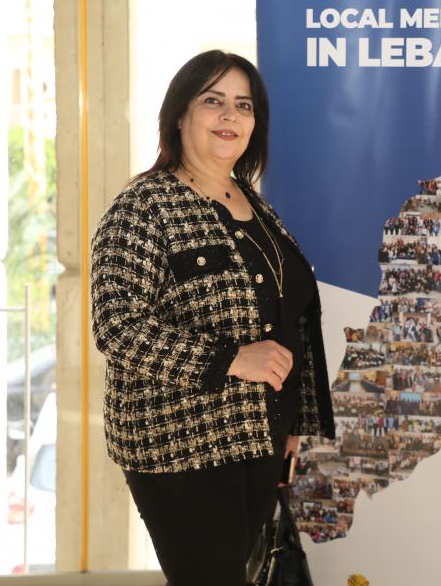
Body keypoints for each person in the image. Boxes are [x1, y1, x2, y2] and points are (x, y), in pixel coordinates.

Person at [91, 50, 335, 585]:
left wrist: (295, 422)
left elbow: (288, 317)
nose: (230, 116)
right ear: (180, 116)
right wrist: (231, 359)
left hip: (261, 438)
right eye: (212, 101)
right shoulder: (143, 207)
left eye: (243, 105)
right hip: (183, 445)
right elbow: (118, 326)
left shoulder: (254, 205)